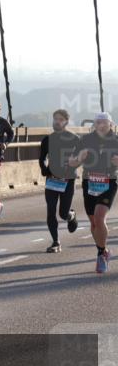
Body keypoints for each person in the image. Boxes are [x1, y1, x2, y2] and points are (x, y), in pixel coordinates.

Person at [67, 112, 118, 274]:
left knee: (99, 216)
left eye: (104, 122)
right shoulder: (86, 140)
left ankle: (101, 254)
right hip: (89, 182)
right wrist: (79, 159)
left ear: (110, 124)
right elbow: (71, 162)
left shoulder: (116, 140)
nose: (101, 125)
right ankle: (103, 250)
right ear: (94, 125)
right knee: (94, 222)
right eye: (98, 123)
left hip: (109, 181)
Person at [39, 109, 80, 252]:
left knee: (63, 213)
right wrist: (44, 169)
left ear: (66, 122)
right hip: (52, 179)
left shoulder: (75, 139)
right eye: (55, 119)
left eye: (60, 119)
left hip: (68, 180)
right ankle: (56, 242)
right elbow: (42, 158)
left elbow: (82, 157)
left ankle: (70, 215)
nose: (57, 122)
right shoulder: (47, 139)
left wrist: (74, 164)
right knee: (51, 210)